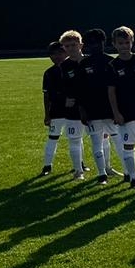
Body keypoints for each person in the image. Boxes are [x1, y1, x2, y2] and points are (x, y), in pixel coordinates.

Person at [108, 26, 135, 187]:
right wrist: (116, 113)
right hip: (126, 113)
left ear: (132, 42)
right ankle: (133, 178)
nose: (124, 46)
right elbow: (111, 92)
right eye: (120, 43)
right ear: (114, 44)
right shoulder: (112, 65)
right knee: (128, 145)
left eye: (127, 42)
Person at [77, 27, 121, 183]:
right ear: (87, 45)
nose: (95, 46)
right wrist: (82, 111)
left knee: (119, 141)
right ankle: (102, 174)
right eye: (91, 43)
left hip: (111, 110)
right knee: (97, 142)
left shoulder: (111, 61)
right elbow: (80, 90)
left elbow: (119, 89)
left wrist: (118, 110)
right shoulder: (84, 64)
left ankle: (130, 173)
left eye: (98, 42)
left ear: (104, 42)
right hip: (92, 111)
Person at [40, 40, 83, 177]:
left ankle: (79, 164)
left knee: (76, 138)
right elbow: (47, 95)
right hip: (57, 111)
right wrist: (47, 115)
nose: (57, 56)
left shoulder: (74, 67)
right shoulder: (49, 73)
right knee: (53, 137)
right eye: (53, 54)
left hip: (73, 110)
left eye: (60, 52)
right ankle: (47, 165)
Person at [52, 31, 90, 178]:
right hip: (73, 109)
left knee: (101, 140)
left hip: (93, 107)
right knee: (74, 140)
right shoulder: (63, 66)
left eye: (73, 45)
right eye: (67, 46)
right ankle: (78, 171)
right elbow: (59, 89)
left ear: (80, 45)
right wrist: (65, 99)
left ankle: (105, 170)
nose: (71, 48)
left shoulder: (90, 61)